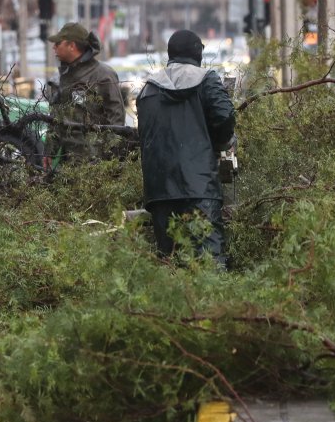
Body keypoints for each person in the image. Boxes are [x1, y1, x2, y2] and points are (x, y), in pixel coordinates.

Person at [136, 29, 236, 268]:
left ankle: (172, 305)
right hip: (199, 187)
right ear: (198, 52)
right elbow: (225, 117)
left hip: (159, 190)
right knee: (208, 260)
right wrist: (219, 144)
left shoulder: (148, 90)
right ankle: (211, 306)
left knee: (170, 261)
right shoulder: (207, 79)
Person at [44, 22, 125, 165]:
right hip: (69, 165)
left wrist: (108, 160)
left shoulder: (103, 75)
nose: (54, 47)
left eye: (58, 43)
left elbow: (116, 119)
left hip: (95, 164)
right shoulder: (62, 79)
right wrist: (49, 151)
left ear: (72, 46)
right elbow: (56, 120)